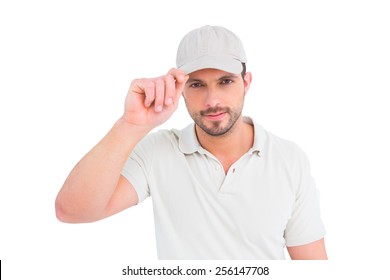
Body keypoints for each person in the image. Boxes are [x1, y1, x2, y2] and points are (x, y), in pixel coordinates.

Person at [55, 25, 327, 260]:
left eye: (225, 81)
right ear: (180, 89)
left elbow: (312, 264)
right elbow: (72, 210)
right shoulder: (157, 151)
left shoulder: (288, 159)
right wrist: (131, 125)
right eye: (197, 85)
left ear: (246, 82)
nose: (212, 101)